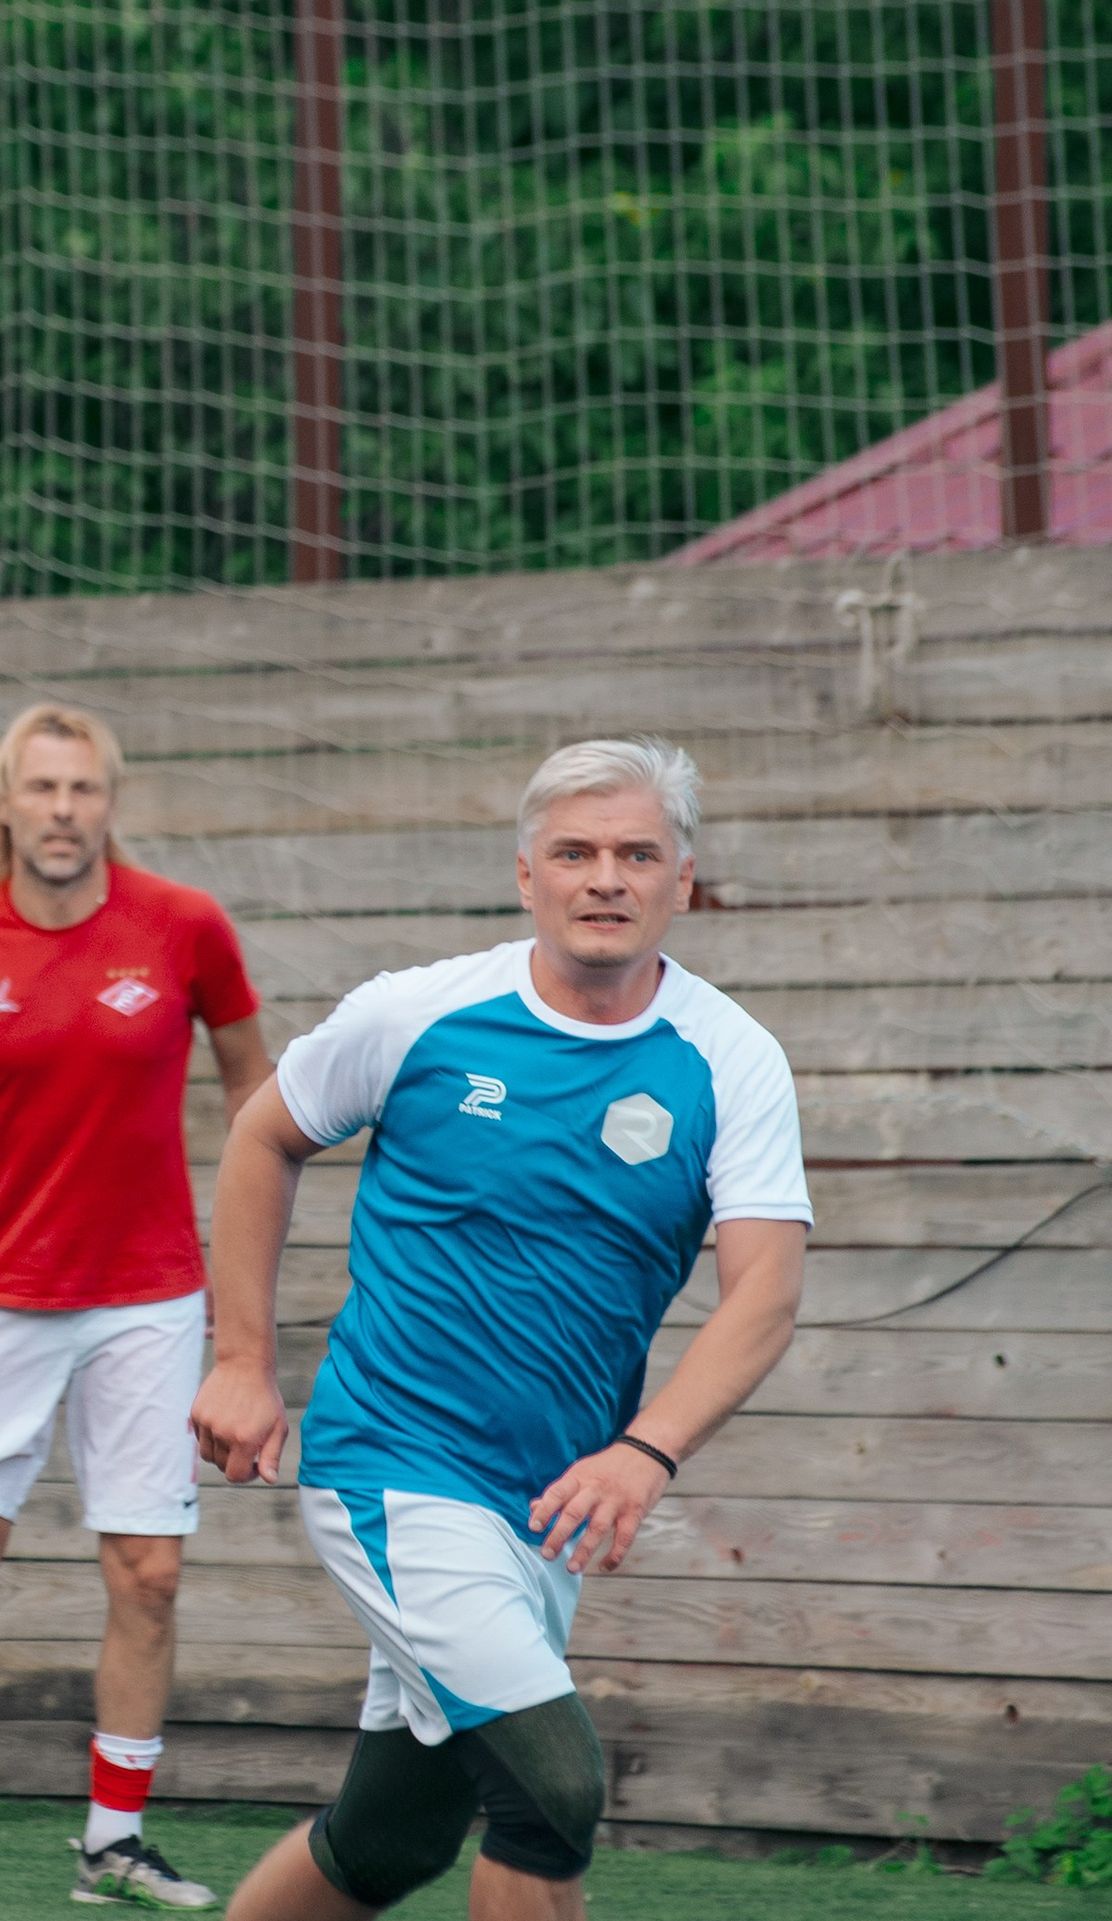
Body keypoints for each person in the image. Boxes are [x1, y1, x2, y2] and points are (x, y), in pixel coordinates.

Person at [190, 737, 810, 1921]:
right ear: (526, 875)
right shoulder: (421, 1013)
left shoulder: (730, 1059)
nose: (604, 878)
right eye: (573, 852)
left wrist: (644, 1450)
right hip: (395, 1470)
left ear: (683, 879)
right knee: (554, 1789)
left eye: (636, 853)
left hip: (548, 1508)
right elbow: (263, 1137)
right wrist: (239, 1361)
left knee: (390, 1834)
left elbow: (766, 1291)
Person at [0, 703, 270, 1911]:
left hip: (150, 1296)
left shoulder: (186, 930)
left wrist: (239, 1297)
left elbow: (259, 1092)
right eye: (41, 788)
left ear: (109, 801)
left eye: (82, 789)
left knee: (149, 1573)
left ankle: (112, 1843)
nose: (62, 810)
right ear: (6, 800)